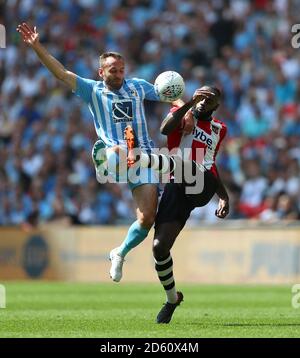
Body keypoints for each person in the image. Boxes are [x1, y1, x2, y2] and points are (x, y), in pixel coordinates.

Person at [16, 22, 193, 283]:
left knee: (146, 219)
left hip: (142, 159)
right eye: (113, 70)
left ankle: (119, 253)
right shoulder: (93, 90)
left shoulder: (136, 86)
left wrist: (184, 110)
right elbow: (62, 73)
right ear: (101, 72)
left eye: (122, 69)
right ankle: (104, 161)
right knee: (120, 149)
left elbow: (168, 94)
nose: (119, 74)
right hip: (114, 154)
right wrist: (37, 47)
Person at [125, 86, 230, 323]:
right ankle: (172, 299)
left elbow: (210, 163)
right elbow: (165, 129)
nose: (204, 101)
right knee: (159, 248)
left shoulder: (219, 129)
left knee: (190, 165)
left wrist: (224, 196)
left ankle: (139, 156)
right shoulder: (183, 114)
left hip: (203, 183)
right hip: (177, 188)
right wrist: (188, 107)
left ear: (216, 106)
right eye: (200, 96)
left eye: (209, 99)